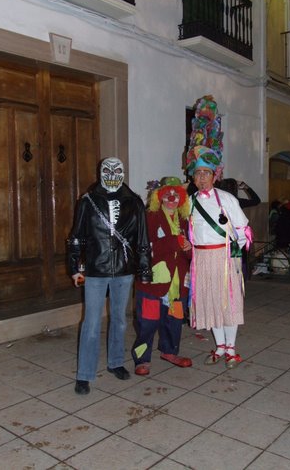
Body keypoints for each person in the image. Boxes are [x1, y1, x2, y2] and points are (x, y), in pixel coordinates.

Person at [67, 157, 152, 394]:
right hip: (95, 269)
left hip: (123, 270)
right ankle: (85, 374)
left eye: (117, 170)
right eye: (108, 170)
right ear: (101, 172)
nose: (113, 174)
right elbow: (77, 236)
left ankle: (115, 362)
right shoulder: (88, 201)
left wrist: (145, 270)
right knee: (91, 323)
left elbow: (143, 239)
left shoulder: (134, 202)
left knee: (120, 319)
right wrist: (74, 267)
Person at [187, 147, 250, 367]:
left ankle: (231, 349)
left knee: (228, 303)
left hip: (224, 258)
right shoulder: (190, 202)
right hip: (201, 259)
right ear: (193, 177)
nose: (202, 177)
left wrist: (234, 254)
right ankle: (220, 347)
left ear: (215, 175)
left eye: (206, 173)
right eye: (198, 173)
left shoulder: (226, 199)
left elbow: (243, 229)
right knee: (210, 302)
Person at [132, 177, 192, 375]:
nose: (172, 198)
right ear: (159, 197)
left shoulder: (185, 219)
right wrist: (173, 242)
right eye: (167, 194)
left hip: (178, 281)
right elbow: (141, 247)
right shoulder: (149, 217)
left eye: (176, 194)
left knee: (174, 320)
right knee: (147, 322)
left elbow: (192, 251)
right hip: (153, 281)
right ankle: (142, 358)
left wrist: (189, 248)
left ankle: (170, 351)